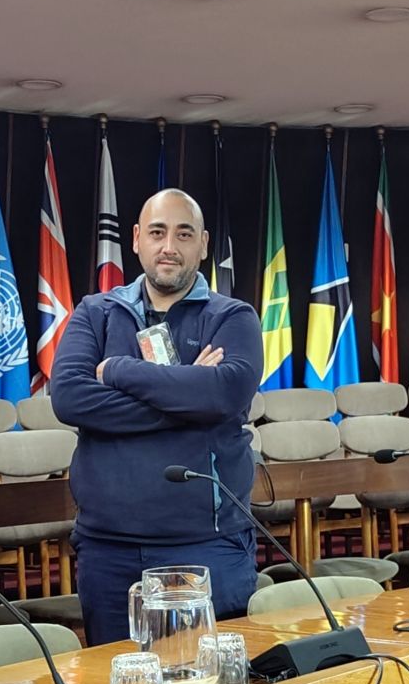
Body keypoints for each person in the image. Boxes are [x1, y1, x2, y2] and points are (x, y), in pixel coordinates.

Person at [49, 188, 262, 644]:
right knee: (117, 680)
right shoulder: (96, 313)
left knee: (210, 681)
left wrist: (118, 370)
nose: (169, 246)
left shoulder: (232, 317)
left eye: (184, 234)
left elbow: (223, 393)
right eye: (157, 233)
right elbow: (69, 398)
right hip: (108, 551)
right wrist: (188, 398)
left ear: (203, 244)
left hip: (206, 547)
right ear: (136, 239)